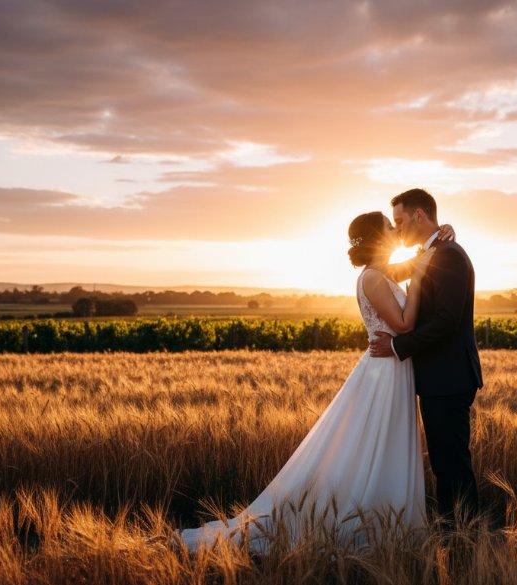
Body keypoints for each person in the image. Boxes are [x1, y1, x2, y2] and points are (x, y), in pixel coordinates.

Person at [175, 211, 455, 553]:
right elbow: (405, 323)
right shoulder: (372, 278)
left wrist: (437, 241)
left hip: (392, 370)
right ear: (376, 238)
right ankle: (371, 520)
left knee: (386, 443)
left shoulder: (381, 273)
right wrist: (419, 279)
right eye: (389, 226)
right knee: (377, 443)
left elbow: (414, 264)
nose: (396, 229)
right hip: (384, 374)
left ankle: (388, 518)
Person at [369, 188, 483, 528]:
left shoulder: (447, 254)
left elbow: (446, 321)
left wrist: (397, 347)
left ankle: (462, 535)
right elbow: (383, 273)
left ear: (421, 216)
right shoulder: (430, 252)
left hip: (448, 378)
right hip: (440, 378)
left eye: (400, 221)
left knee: (451, 463)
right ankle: (456, 531)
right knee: (445, 461)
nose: (397, 229)